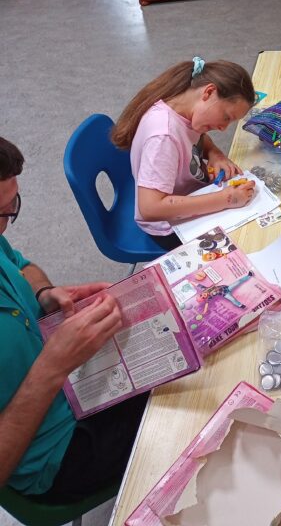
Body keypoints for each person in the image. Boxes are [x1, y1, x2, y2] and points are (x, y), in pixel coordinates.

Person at [0, 136, 147, 500]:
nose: (4, 227)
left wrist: (45, 294)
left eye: (9, 208)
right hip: (54, 455)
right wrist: (52, 367)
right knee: (188, 414)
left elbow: (22, 266)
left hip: (74, 385)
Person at [111, 57, 256, 250]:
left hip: (189, 196)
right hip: (169, 227)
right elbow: (150, 208)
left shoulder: (183, 108)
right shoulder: (164, 137)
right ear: (209, 92)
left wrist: (215, 154)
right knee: (249, 240)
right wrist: (226, 199)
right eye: (226, 117)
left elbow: (196, 135)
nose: (223, 128)